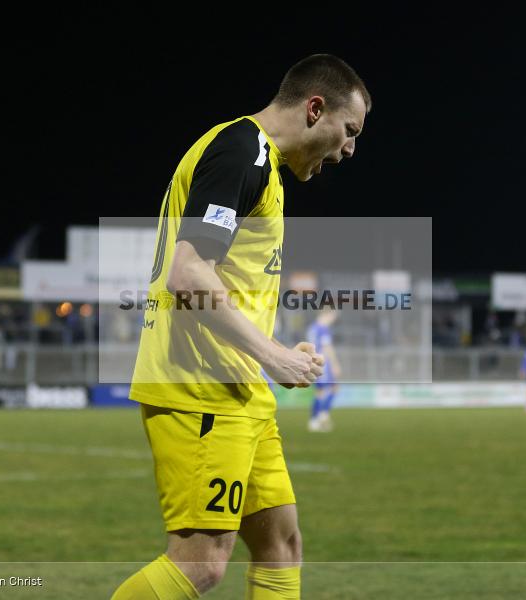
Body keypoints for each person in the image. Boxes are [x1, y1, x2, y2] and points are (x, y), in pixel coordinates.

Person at [112, 54, 370, 599]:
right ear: (314, 108)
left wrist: (265, 356)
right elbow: (188, 273)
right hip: (199, 387)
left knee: (282, 545)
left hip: (239, 390)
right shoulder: (241, 151)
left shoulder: (264, 167)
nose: (350, 150)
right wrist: (272, 354)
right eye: (349, 131)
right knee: (200, 565)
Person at [306, 309, 342, 432]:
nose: (333, 320)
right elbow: (327, 348)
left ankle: (318, 418)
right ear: (328, 314)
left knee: (322, 391)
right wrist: (335, 364)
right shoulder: (323, 329)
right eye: (333, 316)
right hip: (323, 364)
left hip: (313, 362)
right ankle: (320, 416)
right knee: (331, 389)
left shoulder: (312, 328)